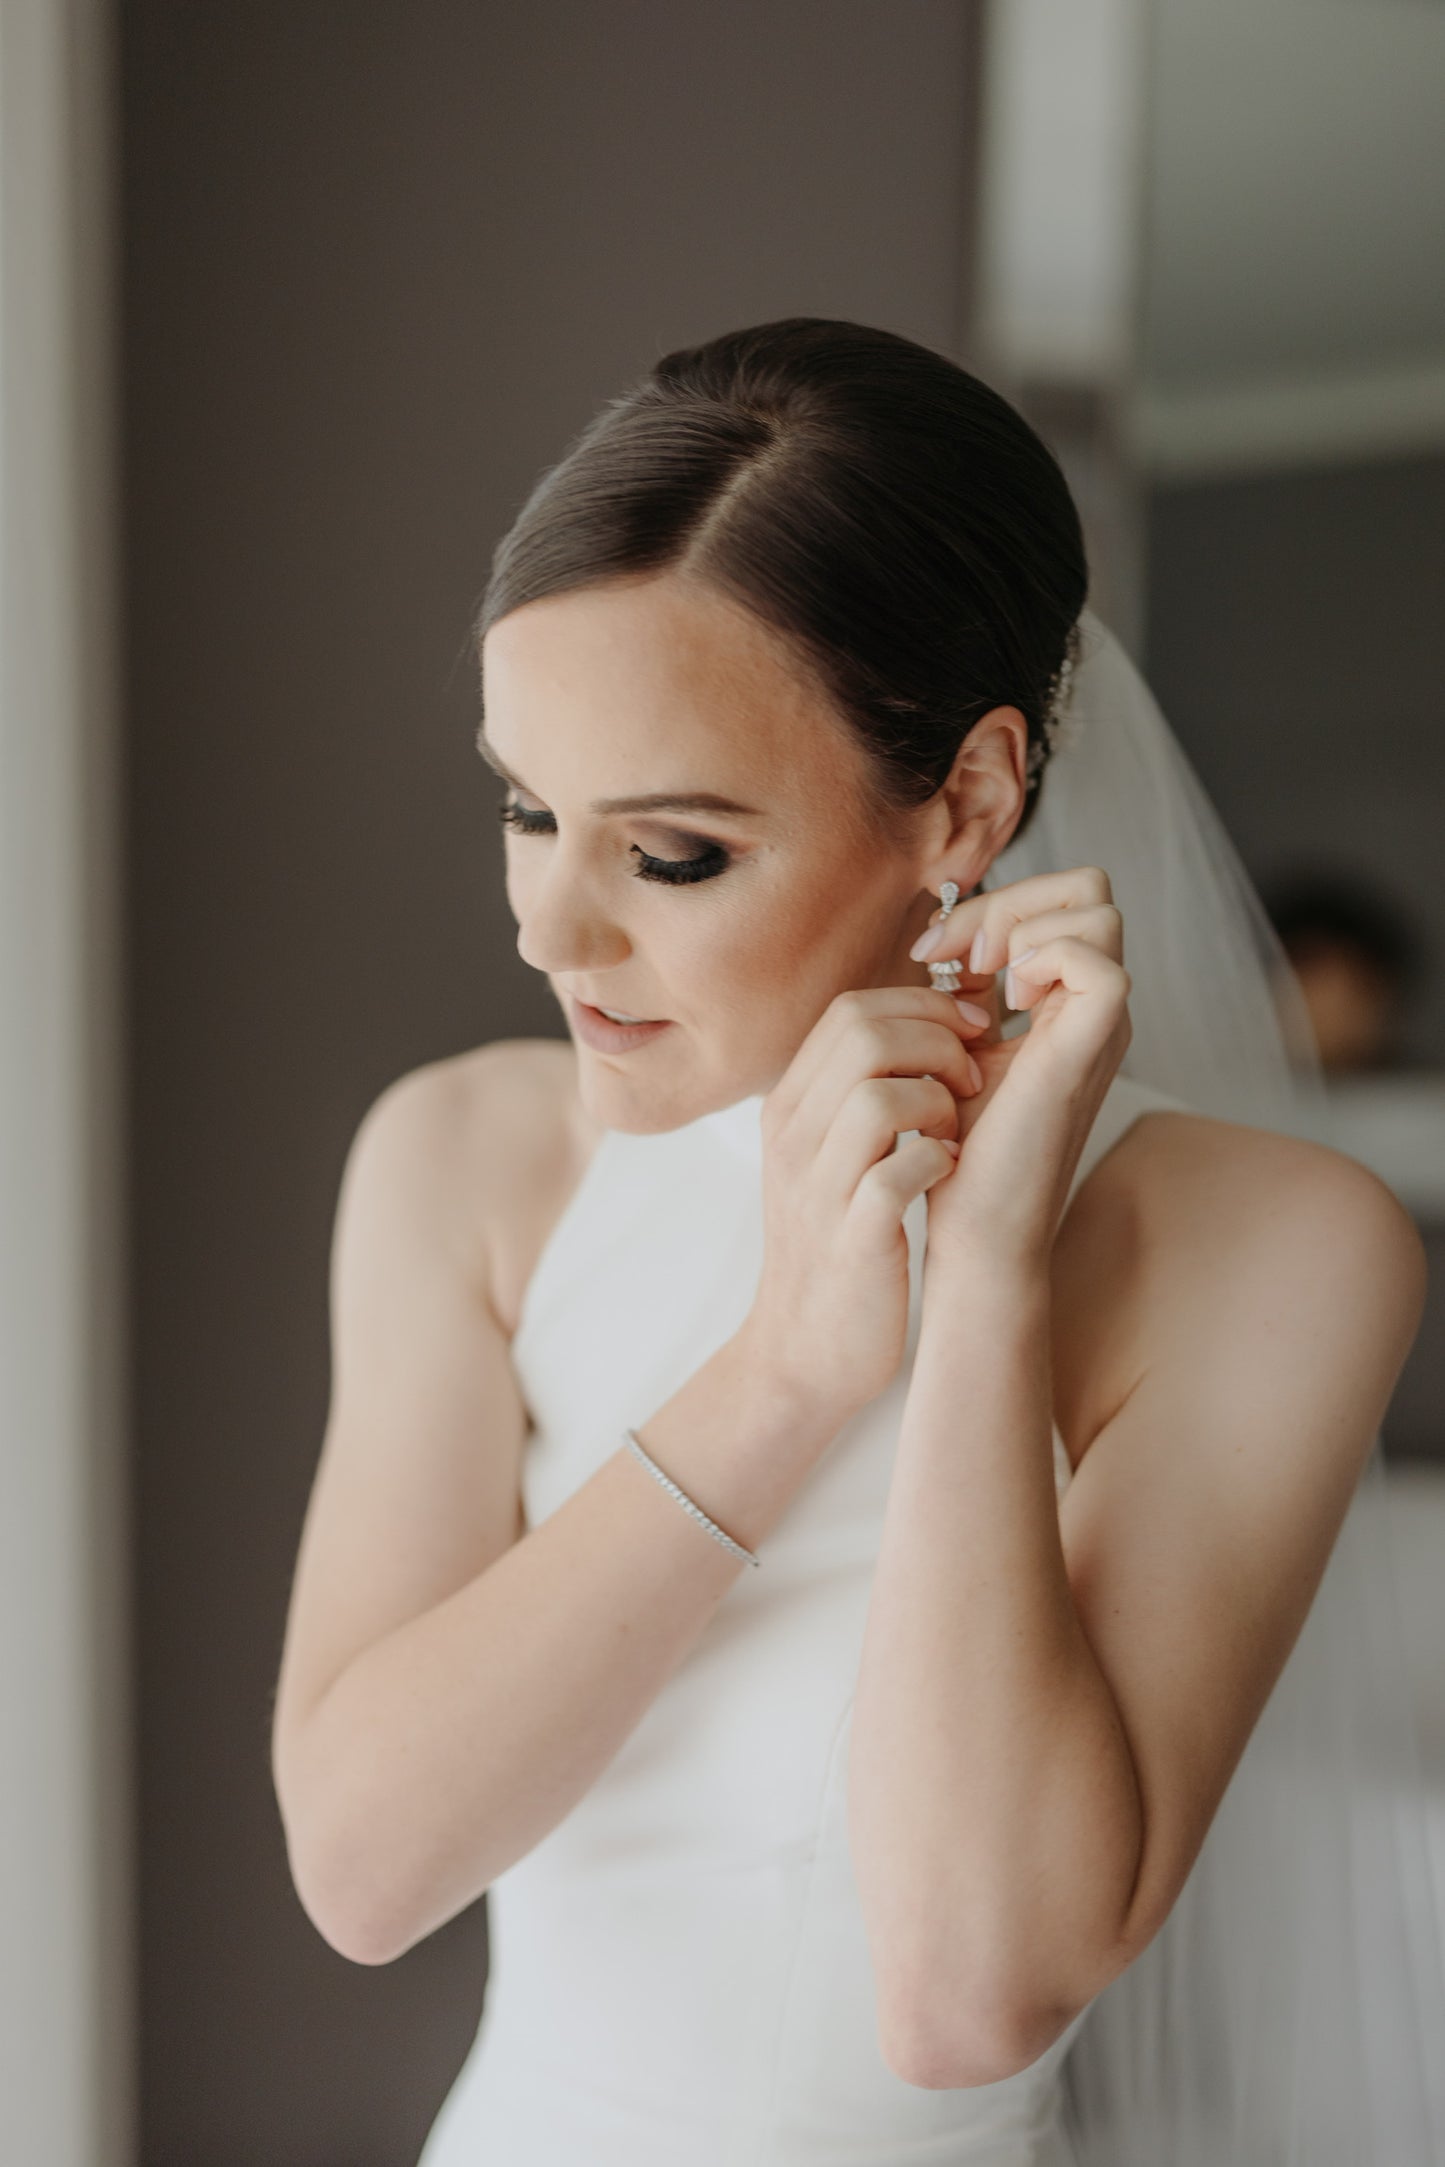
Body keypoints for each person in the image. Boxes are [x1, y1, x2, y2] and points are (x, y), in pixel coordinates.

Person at [270, 320, 1442, 2163]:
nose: (548, 934)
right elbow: (362, 1871)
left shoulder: (1277, 1247)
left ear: (966, 801)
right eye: (525, 808)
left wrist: (982, 1275)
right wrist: (783, 1370)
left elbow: (971, 1995)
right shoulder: (465, 1158)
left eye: (668, 855)